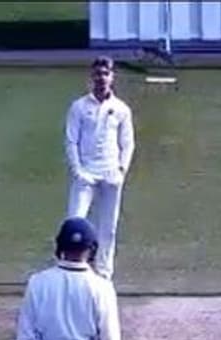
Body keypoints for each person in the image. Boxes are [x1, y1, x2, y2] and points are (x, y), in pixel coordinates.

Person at [64, 55, 135, 283]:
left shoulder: (121, 109)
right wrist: (78, 170)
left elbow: (128, 143)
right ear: (91, 77)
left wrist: (122, 170)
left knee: (109, 227)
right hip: (86, 174)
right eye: (97, 74)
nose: (101, 78)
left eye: (105, 74)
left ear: (112, 77)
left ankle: (104, 272)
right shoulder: (79, 107)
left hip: (111, 174)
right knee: (75, 220)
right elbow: (71, 141)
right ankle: (70, 265)